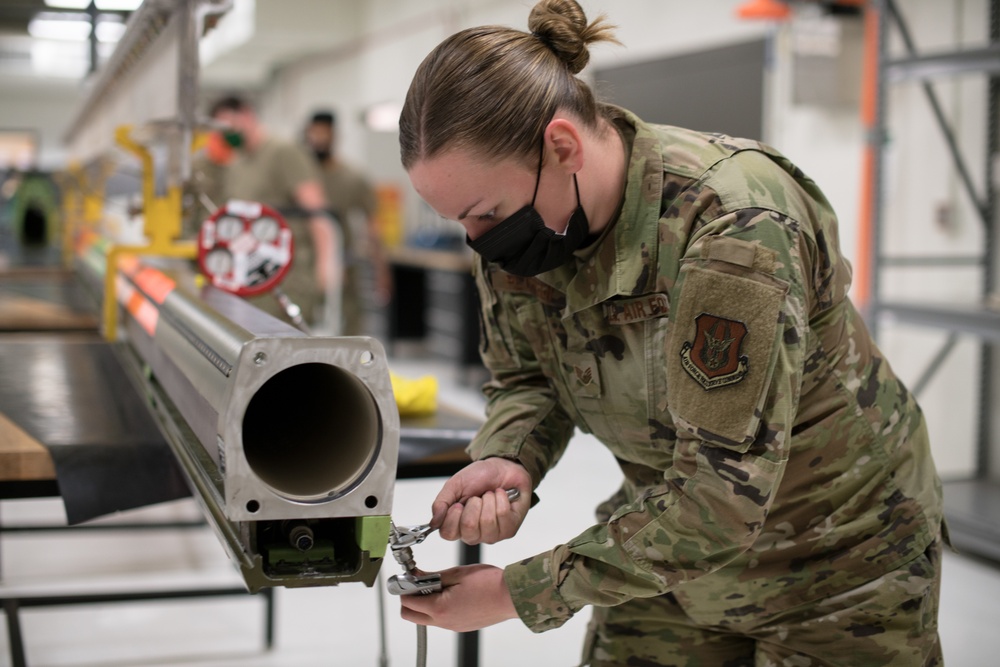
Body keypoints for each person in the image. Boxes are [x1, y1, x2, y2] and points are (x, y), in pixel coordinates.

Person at [396, 1, 945, 665]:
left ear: (562, 146)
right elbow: (529, 376)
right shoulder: (531, 237)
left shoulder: (734, 228)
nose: (479, 240)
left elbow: (721, 494)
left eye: (487, 212)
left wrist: (519, 593)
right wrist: (509, 455)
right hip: (668, 552)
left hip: (837, 563)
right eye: (460, 219)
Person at [208, 95, 337, 327]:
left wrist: (326, 267)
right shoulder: (237, 162)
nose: (228, 134)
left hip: (290, 277)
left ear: (247, 115)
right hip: (253, 278)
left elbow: (318, 213)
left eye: (230, 126)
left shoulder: (283, 152)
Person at [303, 110, 390, 335]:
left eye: (325, 133)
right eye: (315, 133)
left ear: (335, 136)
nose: (320, 139)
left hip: (344, 266)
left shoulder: (351, 177)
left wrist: (381, 271)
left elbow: (373, 226)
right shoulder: (300, 178)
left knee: (350, 331)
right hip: (302, 266)